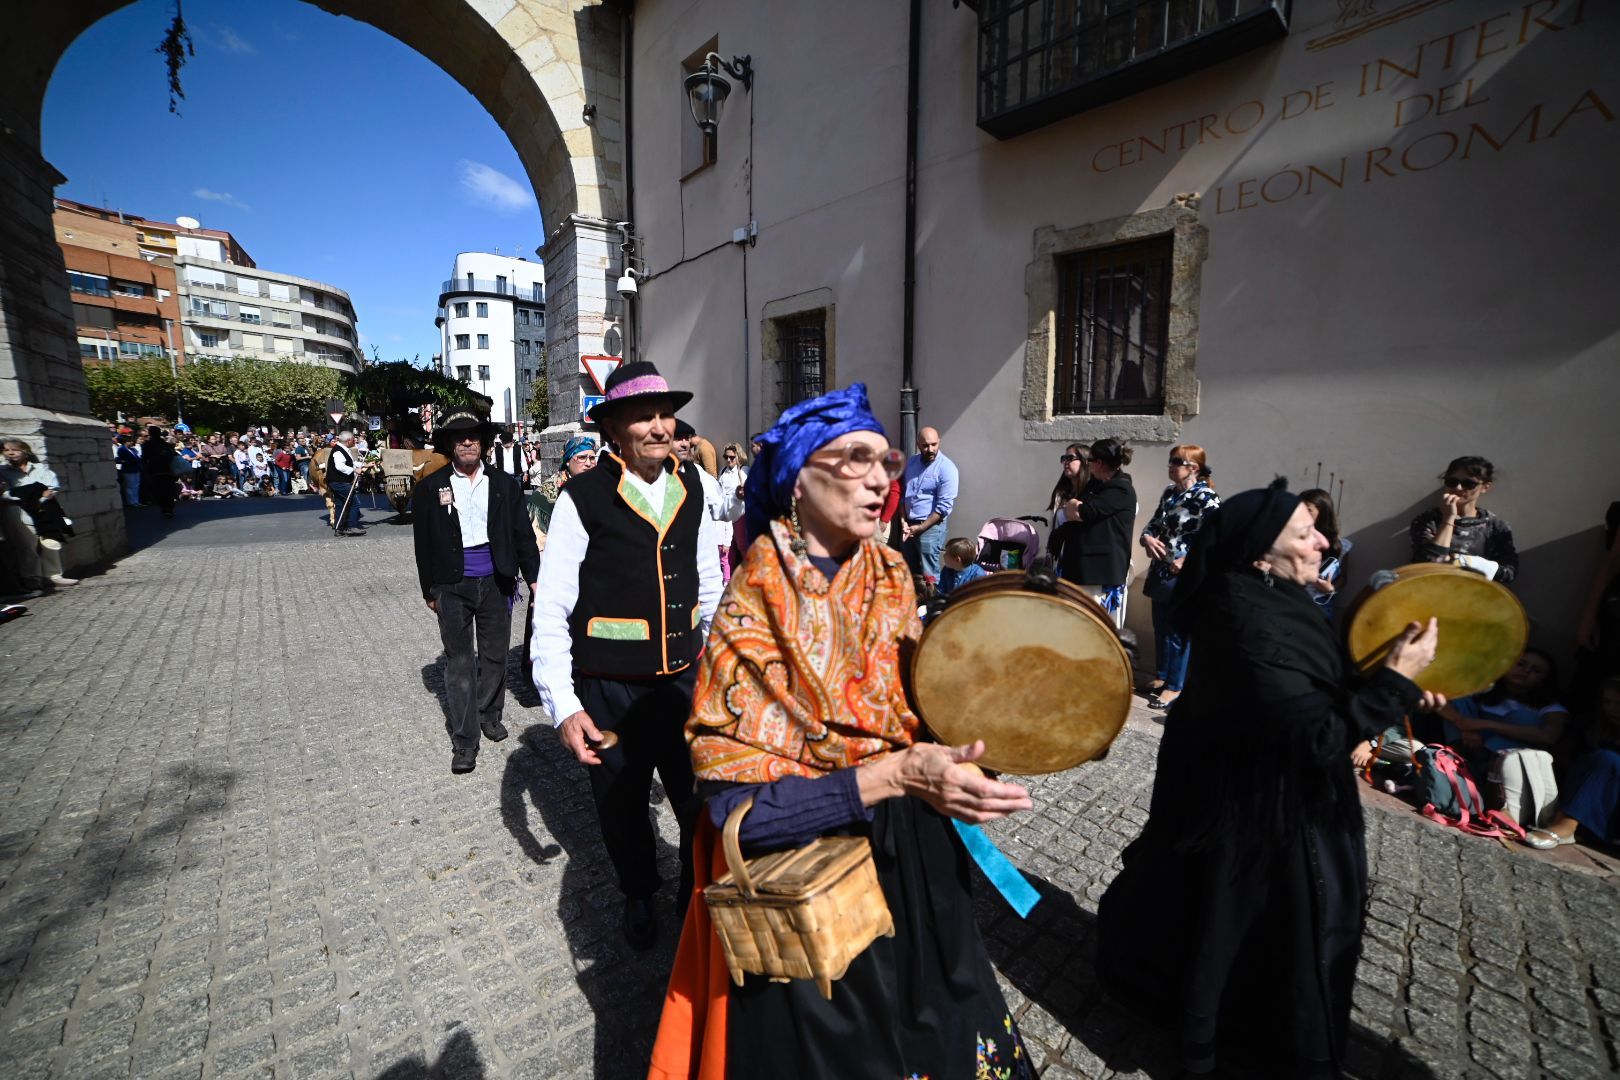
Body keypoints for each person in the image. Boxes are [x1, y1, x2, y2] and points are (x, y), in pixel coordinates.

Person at [648, 382, 1036, 1080]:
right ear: (798, 478)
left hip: (916, 862)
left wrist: (973, 754)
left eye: (884, 459)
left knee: (949, 1030)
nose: (881, 476)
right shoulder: (753, 602)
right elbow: (733, 810)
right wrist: (891, 775)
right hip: (814, 884)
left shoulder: (891, 574)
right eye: (854, 458)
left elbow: (924, 708)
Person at [1097, 479, 1443, 1079]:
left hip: (1269, 800)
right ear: (1260, 553)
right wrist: (1392, 687)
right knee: (1246, 932)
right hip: (1260, 815)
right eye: (1305, 534)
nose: (1324, 543)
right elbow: (1313, 738)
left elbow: (1310, 690)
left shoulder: (1276, 599)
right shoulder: (1246, 618)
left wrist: (1383, 682)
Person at [528, 361, 722, 950]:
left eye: (665, 414)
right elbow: (551, 608)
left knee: (698, 798)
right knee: (622, 803)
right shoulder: (582, 498)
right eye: (643, 416)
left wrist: (727, 664)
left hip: (687, 683)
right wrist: (563, 705)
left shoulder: (695, 488)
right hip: (610, 690)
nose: (660, 427)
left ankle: (696, 893)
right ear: (614, 428)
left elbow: (709, 583)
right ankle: (639, 890)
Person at [412, 409, 540, 775]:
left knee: (496, 655)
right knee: (460, 663)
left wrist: (534, 579)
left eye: (473, 436)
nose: (467, 441)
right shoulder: (429, 488)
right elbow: (423, 546)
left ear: (483, 443)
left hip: (497, 582)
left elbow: (523, 536)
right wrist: (429, 590)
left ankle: (490, 713)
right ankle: (465, 740)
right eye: (459, 437)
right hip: (452, 585)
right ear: (450, 445)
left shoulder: (505, 485)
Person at [1138, 445, 1219, 710]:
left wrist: (1187, 560)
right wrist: (1147, 538)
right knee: (1160, 626)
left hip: (1185, 576)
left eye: (1176, 461)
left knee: (1177, 631)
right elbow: (1154, 524)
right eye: (1170, 461)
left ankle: (1175, 686)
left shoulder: (1206, 497)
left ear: (1193, 468)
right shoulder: (1170, 494)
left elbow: (1215, 536)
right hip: (1161, 571)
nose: (1170, 466)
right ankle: (1163, 676)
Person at [1048, 437, 1137, 629]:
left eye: (1091, 460)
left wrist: (1073, 505)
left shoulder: (1120, 488)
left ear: (1100, 463)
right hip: (1081, 570)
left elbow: (1082, 512)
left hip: (1097, 573)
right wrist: (1075, 506)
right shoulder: (1097, 486)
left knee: (1093, 626)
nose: (1088, 465)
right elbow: (1077, 511)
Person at [1534, 675, 1620, 847]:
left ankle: (1567, 824)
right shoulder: (1594, 730)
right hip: (1593, 806)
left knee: (1607, 760)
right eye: (1607, 702)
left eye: (1619, 704)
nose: (1611, 709)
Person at [1409, 455, 1517, 583]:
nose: (1458, 488)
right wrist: (1448, 519)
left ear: (1485, 487)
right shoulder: (1428, 520)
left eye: (1469, 484)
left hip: (1474, 597)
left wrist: (1473, 564)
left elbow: (1509, 573)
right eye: (1452, 482)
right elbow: (1428, 566)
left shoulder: (1495, 526)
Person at [0, 439, 78, 589]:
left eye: (15, 450)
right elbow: (5, 494)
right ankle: (32, 578)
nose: (10, 453)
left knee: (50, 542)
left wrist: (38, 496)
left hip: (44, 510)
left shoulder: (39, 468)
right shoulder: (2, 471)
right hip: (18, 512)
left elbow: (52, 486)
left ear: (25, 451)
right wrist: (31, 494)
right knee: (27, 546)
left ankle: (54, 575)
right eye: (6, 450)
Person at [675, 420, 740, 584]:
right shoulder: (648, 475)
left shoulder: (696, 473)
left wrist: (738, 498)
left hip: (695, 564)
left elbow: (721, 509)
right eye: (678, 438)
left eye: (686, 438)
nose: (684, 444)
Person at [900, 425, 959, 587]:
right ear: (918, 445)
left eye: (934, 444)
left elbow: (944, 507)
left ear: (939, 442)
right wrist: (904, 522)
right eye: (925, 445)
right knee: (908, 573)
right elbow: (903, 496)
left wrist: (921, 527)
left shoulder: (947, 468)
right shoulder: (911, 463)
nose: (930, 449)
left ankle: (932, 608)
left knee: (929, 575)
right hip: (908, 526)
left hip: (930, 528)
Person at [526, 434, 596, 550]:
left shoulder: (601, 487)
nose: (588, 463)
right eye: (582, 457)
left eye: (592, 458)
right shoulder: (544, 496)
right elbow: (539, 543)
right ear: (568, 461)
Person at [1300, 488, 1351, 618]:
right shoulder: (1292, 540)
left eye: (1308, 510)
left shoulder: (1341, 546)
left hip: (1321, 606)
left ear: (1323, 512)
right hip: (1293, 602)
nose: (1302, 514)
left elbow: (1343, 578)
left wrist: (1330, 589)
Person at [719, 441, 750, 577]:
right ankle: (729, 577)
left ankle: (748, 573)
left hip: (739, 513)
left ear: (738, 456)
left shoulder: (743, 470)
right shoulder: (723, 471)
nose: (729, 460)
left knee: (742, 545)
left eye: (732, 457)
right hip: (725, 513)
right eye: (726, 457)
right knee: (727, 548)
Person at [326, 432, 364, 535]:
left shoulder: (342, 449)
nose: (355, 441)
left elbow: (349, 462)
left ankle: (339, 528)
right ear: (349, 441)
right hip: (339, 482)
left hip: (337, 482)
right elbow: (340, 466)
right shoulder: (338, 451)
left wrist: (364, 464)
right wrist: (355, 470)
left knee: (340, 504)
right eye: (353, 439)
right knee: (354, 503)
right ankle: (352, 526)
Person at [139, 426, 179, 519]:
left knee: (158, 490)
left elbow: (144, 458)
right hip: (166, 470)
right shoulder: (165, 444)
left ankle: (166, 508)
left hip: (156, 470)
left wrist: (145, 469)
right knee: (168, 490)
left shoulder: (147, 445)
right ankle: (168, 508)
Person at [1046, 443, 1088, 528]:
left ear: (1084, 461)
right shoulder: (1060, 493)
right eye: (1064, 458)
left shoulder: (1092, 492)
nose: (1065, 462)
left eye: (1070, 458)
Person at [114, 435, 141, 506]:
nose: (131, 442)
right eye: (129, 441)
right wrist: (126, 461)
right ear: (126, 442)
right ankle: (131, 502)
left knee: (136, 485)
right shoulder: (121, 449)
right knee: (130, 486)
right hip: (128, 470)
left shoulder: (132, 449)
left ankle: (136, 501)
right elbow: (119, 459)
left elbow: (137, 458)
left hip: (135, 469)